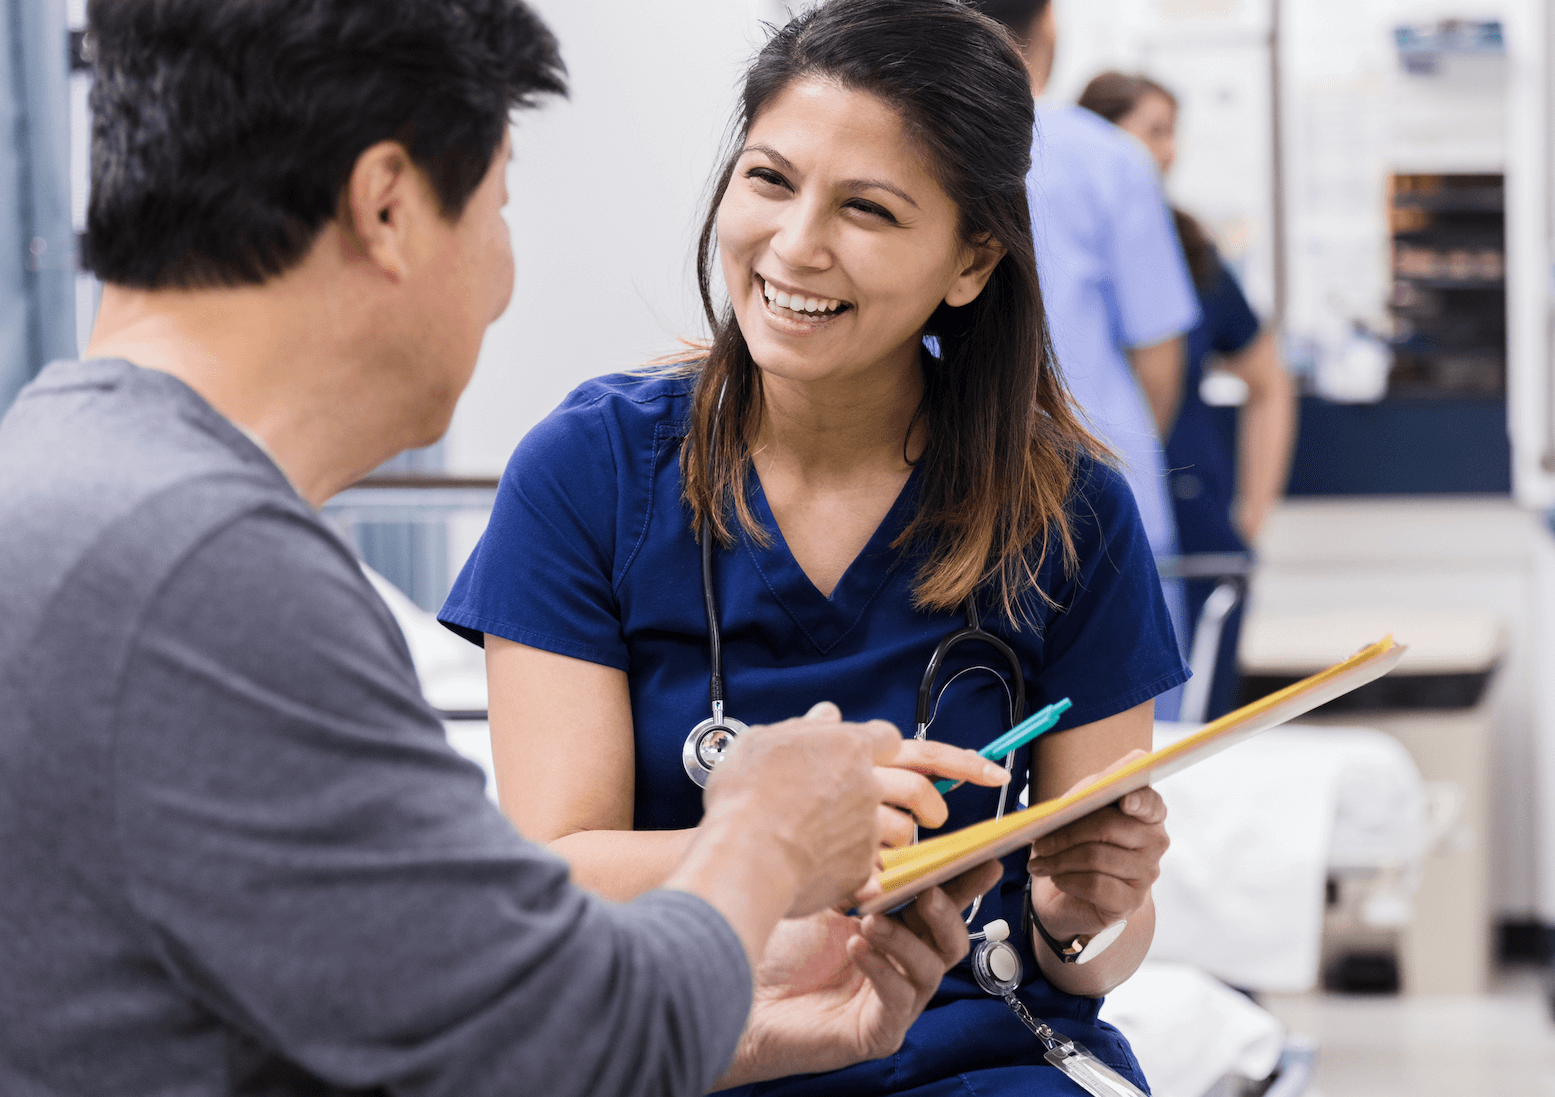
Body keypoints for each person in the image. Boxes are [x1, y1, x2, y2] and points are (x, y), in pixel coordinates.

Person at [0, 2, 992, 1094]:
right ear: (387, 208)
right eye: (499, 204)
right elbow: (553, 1046)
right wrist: (768, 830)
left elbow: (425, 1009)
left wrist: (772, 1023)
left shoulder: (61, 481)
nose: (505, 279)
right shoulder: (209, 574)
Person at [437, 1, 1181, 1093]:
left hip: (971, 1060)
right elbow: (559, 874)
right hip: (691, 1048)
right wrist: (793, 840)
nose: (794, 245)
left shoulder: (1070, 510)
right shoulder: (591, 473)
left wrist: (1081, 911)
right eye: (769, 180)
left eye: (866, 208)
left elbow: (1091, 957)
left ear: (972, 258)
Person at [973, 1, 1203, 708]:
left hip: (961, 498)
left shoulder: (919, 149)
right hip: (1106, 497)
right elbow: (1159, 360)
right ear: (1049, 24)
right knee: (1138, 753)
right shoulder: (1111, 159)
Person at [1079, 71, 1297, 719]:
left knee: (1198, 728)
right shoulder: (1053, 247)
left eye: (1173, 132)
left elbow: (1269, 381)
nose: (1168, 151)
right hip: (1093, 523)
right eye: (1153, 131)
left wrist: (1250, 515)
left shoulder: (1191, 251)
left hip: (1193, 525)